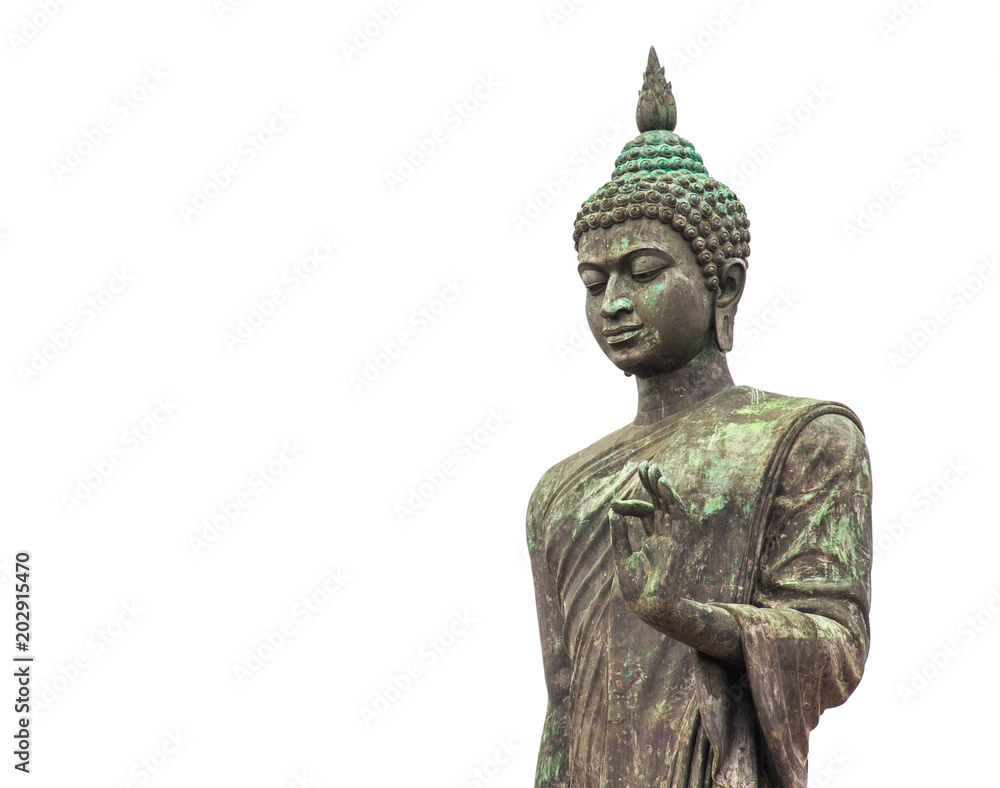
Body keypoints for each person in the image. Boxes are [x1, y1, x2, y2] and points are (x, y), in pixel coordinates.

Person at [527, 48, 872, 788]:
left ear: (726, 285)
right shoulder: (559, 492)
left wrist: (682, 613)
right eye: (594, 282)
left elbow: (835, 649)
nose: (616, 302)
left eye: (645, 272)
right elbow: (563, 703)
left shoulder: (804, 439)